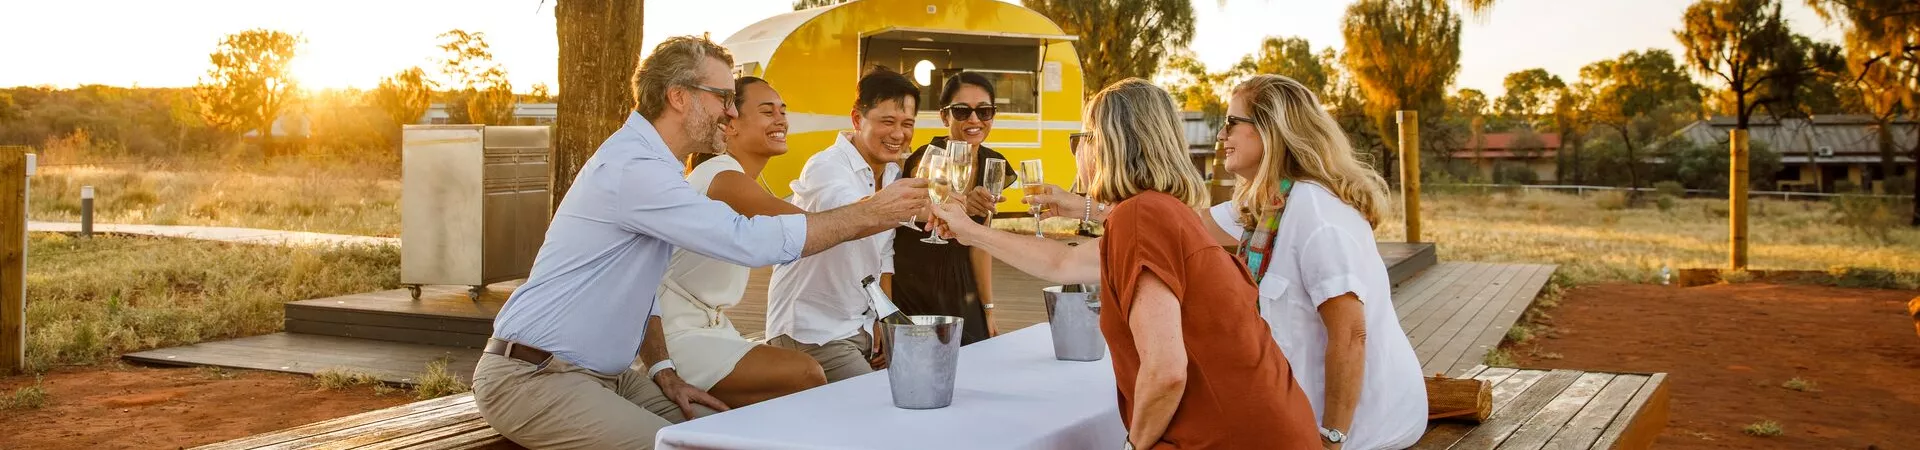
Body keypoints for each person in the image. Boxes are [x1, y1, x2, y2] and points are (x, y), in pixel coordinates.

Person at [471, 36, 927, 450]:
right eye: (725, 98)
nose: (731, 112)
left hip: (607, 377)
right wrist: (871, 212)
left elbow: (644, 292)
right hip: (533, 377)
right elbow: (747, 241)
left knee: (725, 438)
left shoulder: (658, 166)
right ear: (677, 96)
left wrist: (661, 370)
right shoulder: (635, 169)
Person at [967, 75, 1429, 450]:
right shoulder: (1264, 205)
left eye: (1232, 122)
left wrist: (1332, 438)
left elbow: (1351, 333)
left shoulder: (1317, 213)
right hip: (1287, 416)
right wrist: (1080, 207)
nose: (1221, 134)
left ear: (1271, 130)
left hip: (1359, 426)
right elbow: (1174, 227)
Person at [656, 76, 830, 408]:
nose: (781, 119)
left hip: (714, 328)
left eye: (783, 110)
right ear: (730, 125)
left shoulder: (738, 178)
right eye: (768, 111)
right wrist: (892, 209)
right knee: (806, 374)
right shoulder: (721, 178)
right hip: (676, 334)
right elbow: (810, 229)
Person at [764, 67, 921, 382]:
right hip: (811, 331)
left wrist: (883, 317)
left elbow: (883, 254)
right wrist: (923, 210)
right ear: (857, 119)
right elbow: (851, 217)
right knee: (881, 405)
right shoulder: (826, 166)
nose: (898, 134)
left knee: (922, 378)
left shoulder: (891, 174)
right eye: (887, 121)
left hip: (858, 327)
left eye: (907, 124)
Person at [893, 72, 1016, 345]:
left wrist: (988, 309)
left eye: (984, 111)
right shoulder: (929, 155)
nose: (974, 120)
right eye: (962, 111)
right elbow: (922, 198)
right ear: (944, 116)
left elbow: (981, 244)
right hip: (916, 282)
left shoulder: (993, 164)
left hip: (964, 287)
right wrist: (956, 207)